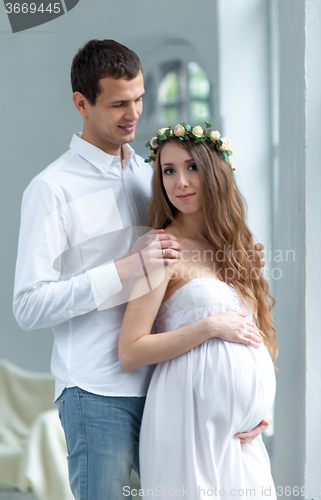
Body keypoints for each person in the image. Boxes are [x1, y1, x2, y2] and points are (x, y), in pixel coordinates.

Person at [13, 40, 270, 500]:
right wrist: (125, 268)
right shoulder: (51, 189)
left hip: (169, 390)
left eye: (139, 99)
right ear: (81, 104)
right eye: (117, 104)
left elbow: (187, 250)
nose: (133, 114)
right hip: (98, 393)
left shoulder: (151, 173)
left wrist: (230, 251)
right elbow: (28, 307)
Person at [118, 124, 278, 499]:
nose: (181, 182)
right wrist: (208, 327)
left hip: (243, 435)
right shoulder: (162, 249)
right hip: (184, 420)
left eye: (192, 167)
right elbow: (131, 350)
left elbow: (255, 335)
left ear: (216, 172)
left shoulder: (238, 250)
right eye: (168, 170)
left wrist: (261, 410)